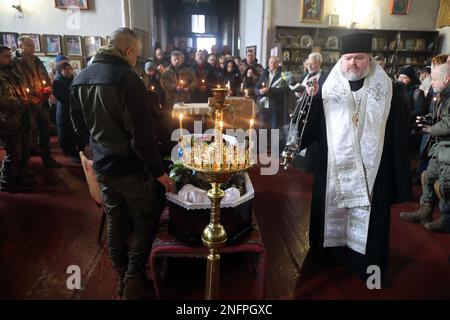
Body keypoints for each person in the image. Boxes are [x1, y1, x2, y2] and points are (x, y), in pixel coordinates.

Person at [70, 28, 174, 300]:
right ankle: (133, 280)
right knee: (145, 217)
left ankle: (120, 276)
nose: (136, 61)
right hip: (129, 167)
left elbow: (79, 127)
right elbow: (142, 137)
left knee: (116, 218)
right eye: (137, 56)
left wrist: (102, 143)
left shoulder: (80, 77)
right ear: (128, 51)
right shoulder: (126, 79)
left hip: (102, 165)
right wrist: (159, 173)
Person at [300, 32, 411, 284]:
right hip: (333, 166)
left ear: (369, 58)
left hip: (373, 171)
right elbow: (309, 125)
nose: (353, 63)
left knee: (369, 222)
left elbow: (398, 136)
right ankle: (328, 256)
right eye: (348, 57)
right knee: (331, 215)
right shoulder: (326, 84)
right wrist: (310, 99)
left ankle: (365, 266)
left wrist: (398, 179)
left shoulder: (388, 88)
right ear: (341, 58)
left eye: (359, 58)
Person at [400, 63, 450, 234]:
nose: (431, 83)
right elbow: (437, 116)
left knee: (445, 186)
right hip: (439, 147)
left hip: (448, 149)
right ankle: (425, 211)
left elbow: (448, 124)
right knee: (427, 177)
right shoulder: (441, 95)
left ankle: (447, 219)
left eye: (434, 79)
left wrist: (429, 129)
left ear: (446, 79)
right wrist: (426, 119)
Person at [13, 36, 61, 168]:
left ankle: (47, 158)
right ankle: (24, 166)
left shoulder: (37, 60)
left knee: (45, 131)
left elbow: (45, 77)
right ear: (21, 46)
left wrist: (48, 88)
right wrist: (33, 92)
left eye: (33, 45)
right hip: (27, 103)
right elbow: (16, 83)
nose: (33, 48)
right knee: (28, 135)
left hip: (42, 102)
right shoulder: (14, 61)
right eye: (29, 45)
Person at [0, 45, 32, 193]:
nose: (9, 58)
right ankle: (6, 181)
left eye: (9, 55)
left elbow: (22, 88)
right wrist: (20, 101)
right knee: (14, 152)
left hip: (21, 117)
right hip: (8, 120)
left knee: (25, 149)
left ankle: (19, 175)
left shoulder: (12, 72)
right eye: (6, 56)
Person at [53, 62, 86, 163]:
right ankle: (71, 151)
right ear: (60, 70)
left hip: (76, 109)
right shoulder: (58, 82)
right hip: (64, 111)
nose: (67, 71)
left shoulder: (74, 78)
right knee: (67, 131)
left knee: (78, 130)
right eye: (65, 69)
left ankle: (80, 150)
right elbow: (63, 98)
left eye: (69, 68)